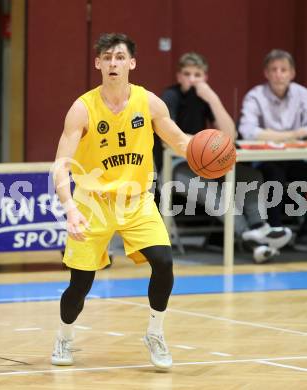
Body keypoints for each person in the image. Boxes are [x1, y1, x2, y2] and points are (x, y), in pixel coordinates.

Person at [50, 33, 193, 370]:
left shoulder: (150, 103)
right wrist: (69, 207)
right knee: (80, 284)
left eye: (119, 57)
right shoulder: (82, 108)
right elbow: (61, 164)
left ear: (132, 63)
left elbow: (179, 141)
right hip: (92, 202)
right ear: (98, 63)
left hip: (136, 200)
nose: (113, 63)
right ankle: (64, 335)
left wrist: (214, 153)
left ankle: (155, 333)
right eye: (107, 57)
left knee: (164, 261)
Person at [154, 52, 292, 263]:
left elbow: (230, 134)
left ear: (205, 77)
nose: (192, 79)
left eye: (197, 75)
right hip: (175, 165)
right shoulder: (170, 96)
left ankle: (259, 228)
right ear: (179, 76)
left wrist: (212, 97)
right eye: (187, 74)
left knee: (250, 175)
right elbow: (167, 138)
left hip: (204, 161)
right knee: (213, 192)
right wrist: (204, 142)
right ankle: (252, 238)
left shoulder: (204, 97)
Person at [238, 49, 307, 250]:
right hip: (265, 159)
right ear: (266, 73)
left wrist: (270, 133)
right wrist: (294, 133)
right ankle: (275, 232)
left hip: (296, 158)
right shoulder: (255, 96)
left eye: (283, 70)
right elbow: (247, 130)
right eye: (273, 70)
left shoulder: (302, 94)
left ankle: (303, 235)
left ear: (292, 73)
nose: (278, 74)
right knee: (273, 175)